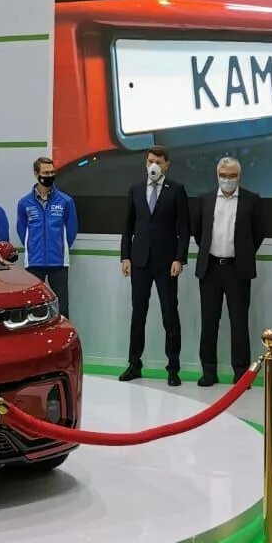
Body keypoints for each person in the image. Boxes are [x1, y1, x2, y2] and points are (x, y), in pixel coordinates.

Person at [120, 146, 190, 386]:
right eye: (151, 161)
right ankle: (134, 364)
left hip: (166, 263)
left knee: (170, 314)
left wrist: (179, 258)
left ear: (167, 164)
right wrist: (125, 257)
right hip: (139, 261)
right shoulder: (135, 189)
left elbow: (184, 228)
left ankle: (173, 367)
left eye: (158, 162)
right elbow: (127, 226)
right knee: (138, 313)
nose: (154, 165)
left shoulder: (177, 190)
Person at [192, 157, 265, 386]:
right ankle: (209, 371)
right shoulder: (204, 199)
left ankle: (241, 374)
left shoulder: (251, 200)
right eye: (223, 175)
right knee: (209, 323)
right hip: (210, 268)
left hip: (237, 269)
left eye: (232, 176)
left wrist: (242, 253)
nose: (227, 180)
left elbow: (258, 233)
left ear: (239, 176)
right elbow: (198, 233)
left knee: (239, 323)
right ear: (217, 175)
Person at [15, 156, 78, 317]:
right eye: (46, 173)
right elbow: (22, 230)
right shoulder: (24, 203)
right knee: (34, 306)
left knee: (62, 307)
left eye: (52, 172)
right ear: (36, 174)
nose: (49, 176)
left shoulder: (66, 201)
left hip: (58, 262)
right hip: (34, 262)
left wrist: (59, 247)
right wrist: (33, 247)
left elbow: (71, 231)